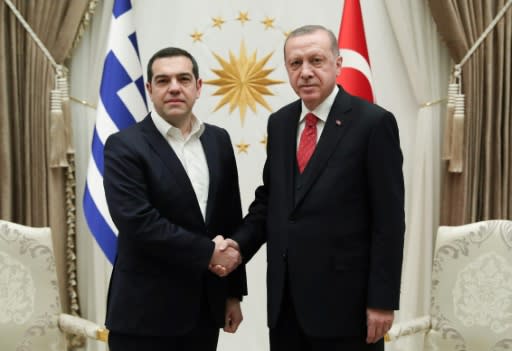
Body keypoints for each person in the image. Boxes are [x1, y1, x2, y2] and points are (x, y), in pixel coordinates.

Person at [212, 25, 405, 350]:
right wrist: (237, 247)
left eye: (316, 60)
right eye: (295, 63)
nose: (306, 72)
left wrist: (382, 300)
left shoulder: (373, 123)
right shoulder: (281, 123)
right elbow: (271, 202)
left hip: (349, 306)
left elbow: (388, 221)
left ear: (338, 63)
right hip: (286, 304)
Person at [103, 47, 246, 351]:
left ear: (198, 87)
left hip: (204, 313)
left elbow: (229, 218)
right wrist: (209, 251)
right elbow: (137, 222)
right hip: (143, 316)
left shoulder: (218, 140)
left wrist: (232, 294)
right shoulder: (123, 146)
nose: (174, 88)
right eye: (163, 80)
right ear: (150, 89)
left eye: (183, 79)